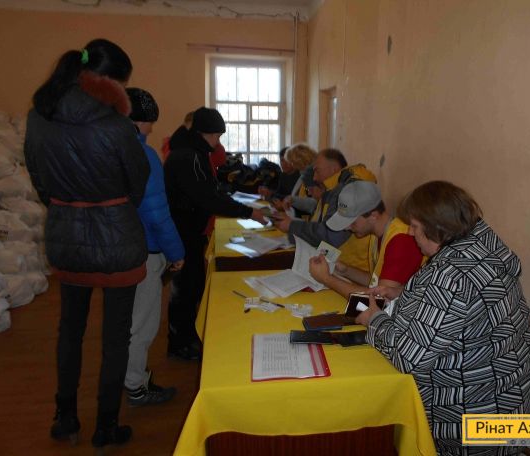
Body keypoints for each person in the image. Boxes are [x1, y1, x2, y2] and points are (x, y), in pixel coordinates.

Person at [24, 39, 150, 450]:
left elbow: (40, 182)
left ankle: (65, 418)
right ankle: (106, 426)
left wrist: (69, 209)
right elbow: (137, 183)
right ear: (108, 81)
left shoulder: (39, 117)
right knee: (116, 338)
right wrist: (111, 207)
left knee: (69, 331)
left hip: (67, 235)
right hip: (118, 239)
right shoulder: (117, 126)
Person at [356, 181, 530, 456]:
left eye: (415, 226)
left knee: (379, 420)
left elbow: (408, 359)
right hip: (514, 400)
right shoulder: (480, 246)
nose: (410, 232)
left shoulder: (450, 276)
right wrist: (404, 293)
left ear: (437, 227)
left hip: (475, 419)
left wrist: (374, 318)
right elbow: (464, 305)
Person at [163, 107, 266, 360]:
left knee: (193, 284)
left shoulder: (192, 152)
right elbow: (207, 197)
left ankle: (187, 336)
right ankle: (180, 343)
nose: (218, 142)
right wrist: (248, 212)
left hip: (189, 229)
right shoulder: (189, 157)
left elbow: (210, 191)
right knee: (186, 288)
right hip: (184, 230)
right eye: (216, 136)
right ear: (204, 133)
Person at [124, 88, 184, 407]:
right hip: (144, 252)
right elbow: (157, 213)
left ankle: (124, 377)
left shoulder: (105, 147)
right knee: (142, 324)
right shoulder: (143, 155)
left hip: (116, 252)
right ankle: (135, 386)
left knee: (122, 322)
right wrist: (176, 253)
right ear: (141, 119)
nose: (152, 127)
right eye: (150, 121)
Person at [309, 180, 422, 298]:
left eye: (352, 222)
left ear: (373, 216)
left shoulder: (401, 241)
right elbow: (377, 283)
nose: (347, 228)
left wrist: (326, 278)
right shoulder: (378, 232)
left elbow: (380, 300)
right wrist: (345, 270)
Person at [273, 148, 376, 271]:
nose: (314, 178)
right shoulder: (334, 190)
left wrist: (292, 226)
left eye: (317, 171)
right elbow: (325, 236)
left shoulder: (345, 190)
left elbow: (331, 236)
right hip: (341, 264)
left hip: (352, 269)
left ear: (334, 169)